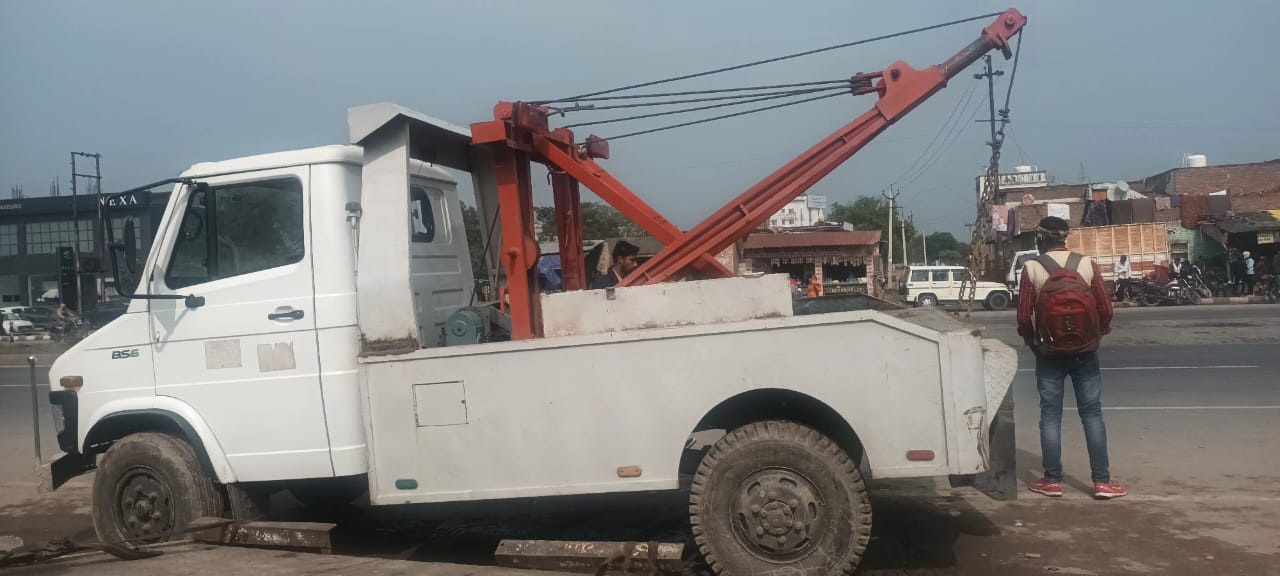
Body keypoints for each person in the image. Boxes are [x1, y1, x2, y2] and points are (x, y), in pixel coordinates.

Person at [1016, 217, 1126, 500]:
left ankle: (1052, 481)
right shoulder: (1087, 264)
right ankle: (1102, 482)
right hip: (1086, 353)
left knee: (1050, 416)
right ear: (1065, 238)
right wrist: (1096, 336)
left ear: (1041, 239)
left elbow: (1023, 317)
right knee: (1092, 414)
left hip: (1049, 354)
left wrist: (1033, 343)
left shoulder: (1031, 267)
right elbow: (1106, 309)